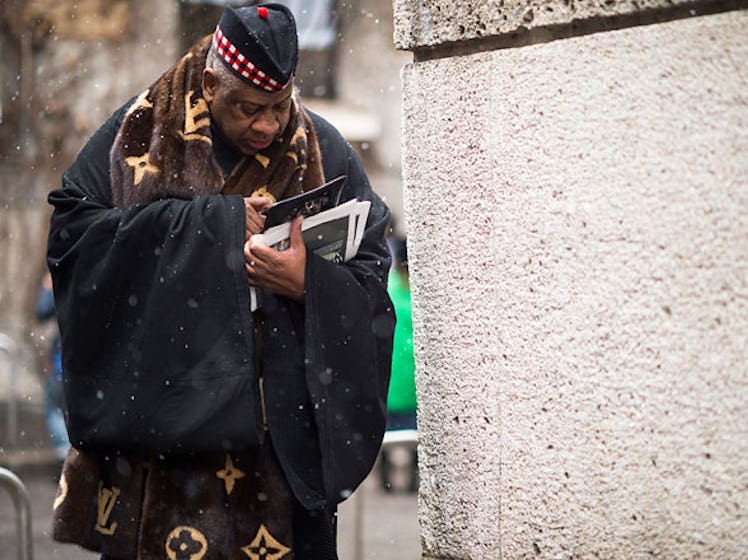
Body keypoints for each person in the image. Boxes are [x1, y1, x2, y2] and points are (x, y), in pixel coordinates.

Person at [45, 4, 394, 559]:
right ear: (210, 84)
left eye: (280, 108)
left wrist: (309, 284)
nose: (268, 126)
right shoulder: (135, 134)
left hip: (280, 455)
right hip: (163, 461)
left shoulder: (323, 148)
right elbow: (72, 241)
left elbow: (373, 264)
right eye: (249, 108)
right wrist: (216, 228)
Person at [378, 237, 418, 493]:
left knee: (391, 436)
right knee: (406, 437)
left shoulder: (389, 290)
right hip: (403, 384)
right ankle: (393, 479)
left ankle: (391, 480)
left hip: (396, 383)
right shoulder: (411, 297)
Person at [35, 271, 71, 462]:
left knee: (54, 410)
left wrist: (48, 287)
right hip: (70, 360)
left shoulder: (65, 276)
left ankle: (67, 452)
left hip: (63, 359)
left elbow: (43, 310)